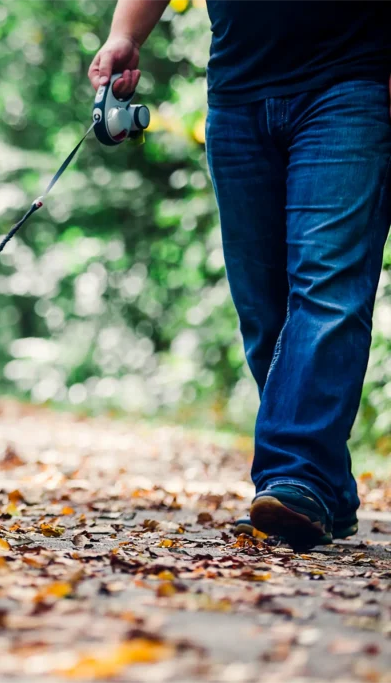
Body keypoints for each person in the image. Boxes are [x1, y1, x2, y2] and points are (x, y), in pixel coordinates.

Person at [89, 1, 391, 548]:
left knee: (327, 290)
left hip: (352, 85)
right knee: (263, 309)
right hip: (237, 93)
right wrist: (125, 34)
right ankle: (327, 487)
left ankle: (295, 475)